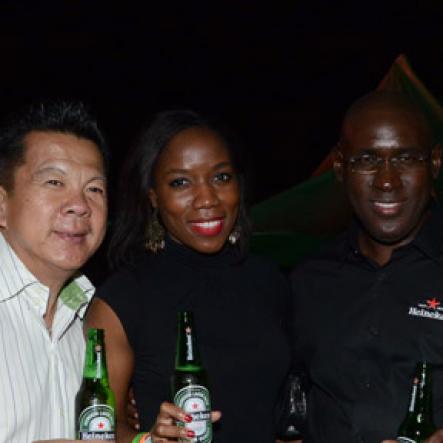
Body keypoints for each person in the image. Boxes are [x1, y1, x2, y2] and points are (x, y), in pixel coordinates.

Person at [86, 110, 292, 442]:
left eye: (221, 177)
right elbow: (102, 428)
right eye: (181, 182)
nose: (207, 198)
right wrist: (150, 439)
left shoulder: (271, 281)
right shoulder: (122, 298)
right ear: (153, 196)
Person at [290, 91, 443, 442]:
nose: (386, 180)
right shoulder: (307, 280)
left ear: (434, 163)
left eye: (405, 158)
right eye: (366, 160)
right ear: (341, 168)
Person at [0, 100, 109, 443]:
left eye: (94, 188)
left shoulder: (85, 321)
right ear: (2, 204)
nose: (80, 204)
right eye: (53, 182)